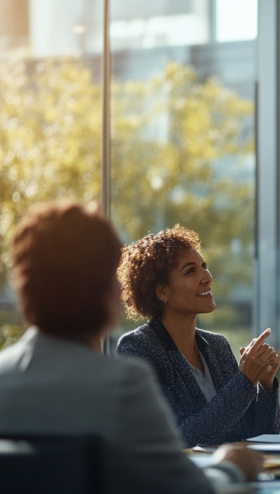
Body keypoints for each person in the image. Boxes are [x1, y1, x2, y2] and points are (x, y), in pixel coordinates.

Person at [0, 201, 263, 493]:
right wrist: (230, 467)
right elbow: (186, 488)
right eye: (113, 276)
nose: (121, 288)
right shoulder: (121, 384)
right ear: (100, 289)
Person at [117, 226, 280, 448]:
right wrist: (244, 381)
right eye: (190, 271)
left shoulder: (218, 346)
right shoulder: (138, 347)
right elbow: (179, 437)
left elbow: (262, 436)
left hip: (230, 469)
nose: (207, 276)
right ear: (161, 291)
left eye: (204, 266)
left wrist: (266, 385)